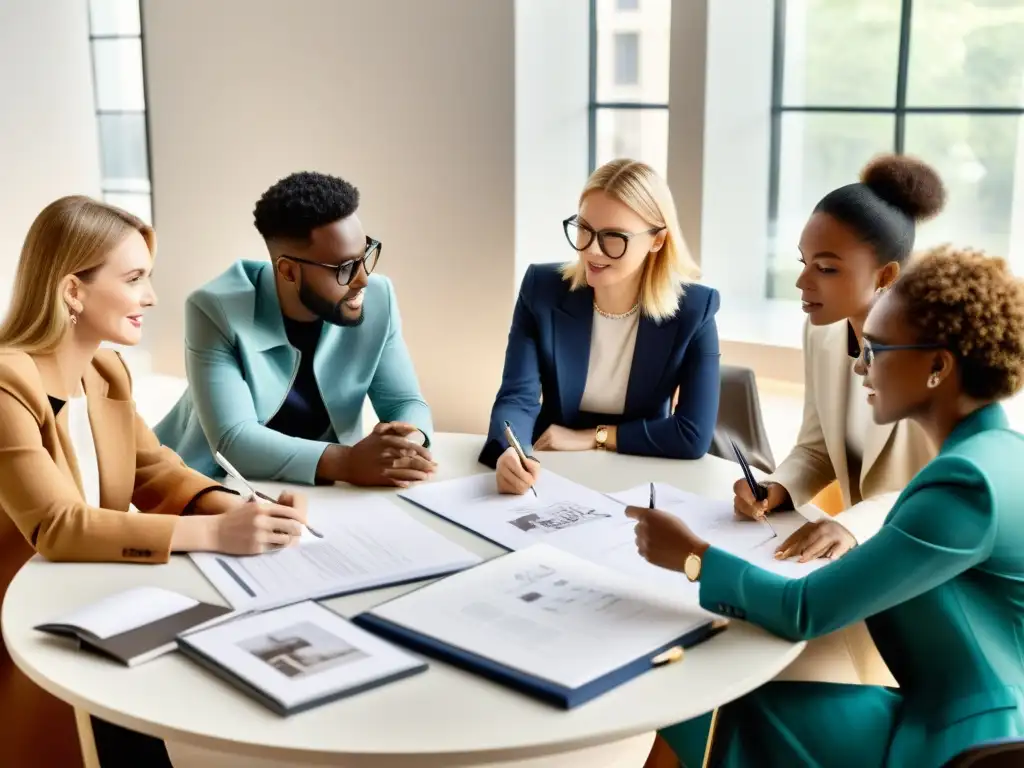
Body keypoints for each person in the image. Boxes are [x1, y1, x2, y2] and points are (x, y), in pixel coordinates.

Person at [629, 245, 1024, 768]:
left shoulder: (964, 484)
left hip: (968, 744)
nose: (861, 367)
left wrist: (691, 555)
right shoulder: (999, 452)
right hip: (956, 712)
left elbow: (806, 610)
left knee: (712, 705)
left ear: (937, 365)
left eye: (877, 350)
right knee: (726, 706)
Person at [0, 197, 309, 767]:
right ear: (73, 291)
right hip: (24, 623)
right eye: (135, 278)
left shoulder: (103, 370)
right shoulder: (6, 385)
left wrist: (239, 509)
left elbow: (154, 469)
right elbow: (59, 526)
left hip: (94, 599)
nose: (151, 297)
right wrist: (218, 536)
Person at [156, 171, 436, 488]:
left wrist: (408, 440)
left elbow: (404, 401)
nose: (363, 280)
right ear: (288, 271)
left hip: (326, 485)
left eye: (366, 254)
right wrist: (347, 462)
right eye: (345, 268)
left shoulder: (379, 298)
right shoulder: (212, 309)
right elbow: (234, 440)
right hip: (216, 483)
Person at [480, 159, 720, 495]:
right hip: (553, 469)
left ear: (657, 240)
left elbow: (692, 435)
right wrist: (509, 450)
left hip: (639, 476)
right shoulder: (542, 289)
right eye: (584, 228)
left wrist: (594, 437)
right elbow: (517, 399)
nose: (592, 249)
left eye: (613, 237)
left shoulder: (695, 309)